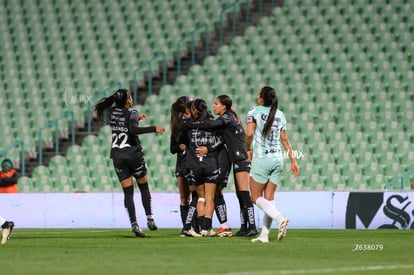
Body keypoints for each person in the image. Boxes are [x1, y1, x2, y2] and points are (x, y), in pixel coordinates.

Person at [95, 89, 165, 237]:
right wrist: (154, 128)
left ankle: (134, 224)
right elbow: (132, 131)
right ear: (128, 101)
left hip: (118, 156)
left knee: (128, 192)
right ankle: (150, 218)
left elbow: (124, 124)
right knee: (143, 186)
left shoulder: (112, 112)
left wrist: (136, 118)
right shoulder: (132, 112)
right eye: (131, 96)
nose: (132, 99)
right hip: (133, 154)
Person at [184, 95, 258, 237]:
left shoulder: (227, 118)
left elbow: (211, 125)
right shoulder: (227, 118)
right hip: (235, 158)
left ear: (224, 106)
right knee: (239, 195)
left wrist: (191, 125)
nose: (214, 106)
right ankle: (244, 227)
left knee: (244, 193)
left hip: (240, 158)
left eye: (216, 104)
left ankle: (252, 226)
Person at [245, 86, 300, 243]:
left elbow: (249, 134)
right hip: (278, 159)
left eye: (258, 94)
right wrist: (294, 160)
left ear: (262, 98)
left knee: (255, 197)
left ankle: (280, 218)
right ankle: (264, 235)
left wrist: (247, 149)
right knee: (269, 199)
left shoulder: (254, 112)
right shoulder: (280, 114)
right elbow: (285, 139)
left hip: (262, 160)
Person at [183, 99, 225, 237]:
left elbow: (181, 127)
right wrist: (208, 148)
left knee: (200, 198)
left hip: (195, 165)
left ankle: (202, 228)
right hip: (210, 163)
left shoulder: (189, 124)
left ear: (195, 110)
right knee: (210, 198)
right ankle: (207, 228)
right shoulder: (212, 123)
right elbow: (221, 141)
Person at [170, 96, 198, 236]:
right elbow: (172, 148)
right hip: (182, 164)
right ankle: (186, 227)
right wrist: (179, 147)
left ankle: (194, 226)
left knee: (195, 196)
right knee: (185, 198)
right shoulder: (178, 125)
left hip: (192, 162)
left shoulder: (193, 121)